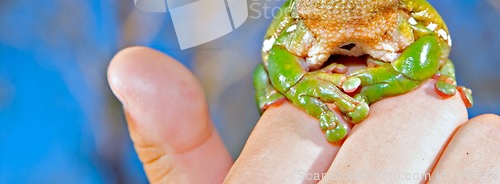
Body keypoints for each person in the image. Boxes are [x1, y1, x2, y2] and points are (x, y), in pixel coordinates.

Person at [107, 47, 500, 183]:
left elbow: (436, 39)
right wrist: (297, 87)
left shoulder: (408, 17)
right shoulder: (293, 29)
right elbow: (273, 58)